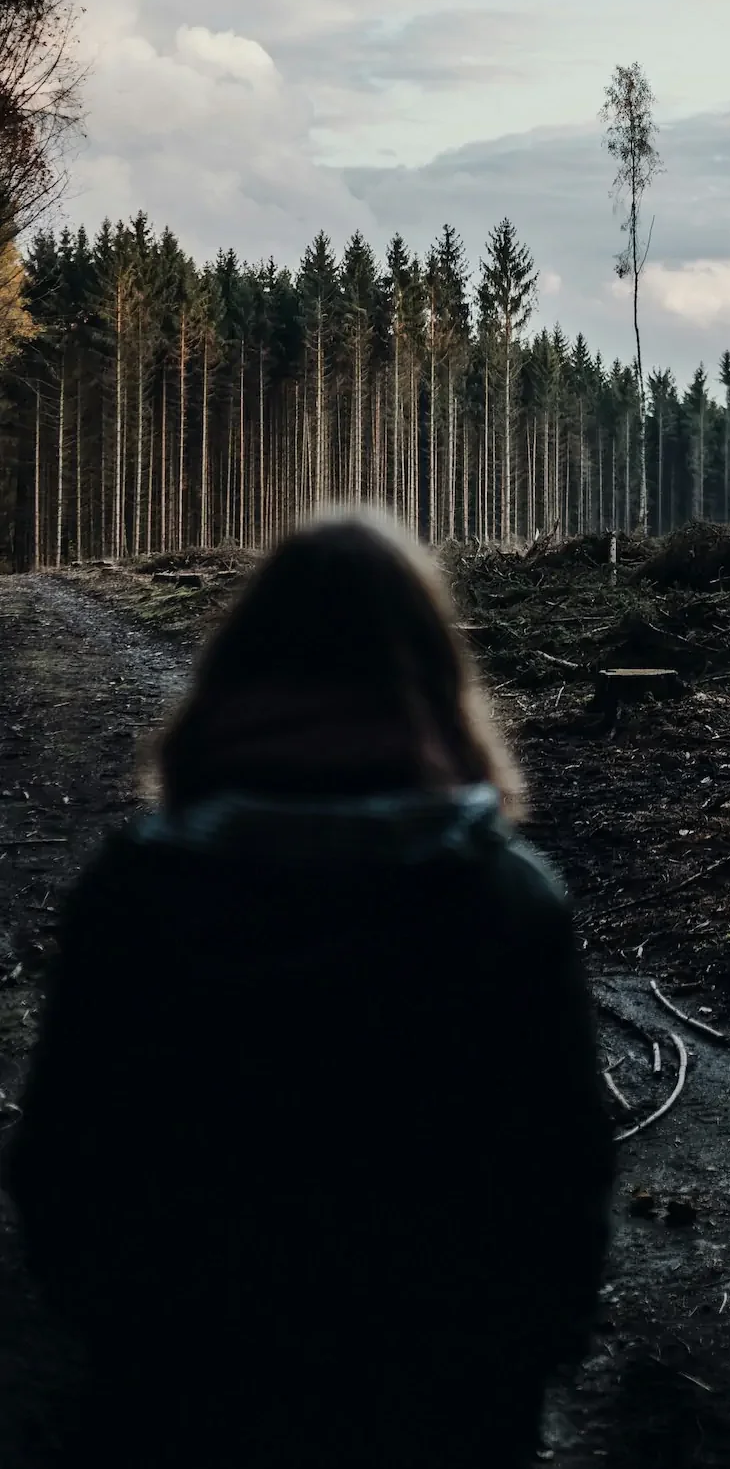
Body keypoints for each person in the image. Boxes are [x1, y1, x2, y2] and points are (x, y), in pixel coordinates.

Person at [6, 513, 613, 1469]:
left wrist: (117, 1334)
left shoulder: (135, 888)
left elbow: (63, 1160)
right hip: (440, 1405)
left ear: (236, 671)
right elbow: (560, 1180)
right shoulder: (506, 900)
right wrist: (523, 1362)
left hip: (179, 1399)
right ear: (429, 679)